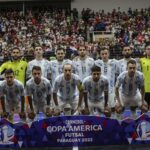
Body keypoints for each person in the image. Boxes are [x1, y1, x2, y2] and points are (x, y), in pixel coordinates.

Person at [95, 46, 119, 110]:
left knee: (113, 108)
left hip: (111, 89)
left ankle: (113, 119)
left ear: (108, 54)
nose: (104, 55)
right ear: (100, 55)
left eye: (106, 53)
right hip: (100, 90)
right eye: (102, 54)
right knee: (100, 108)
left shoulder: (114, 62)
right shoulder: (96, 63)